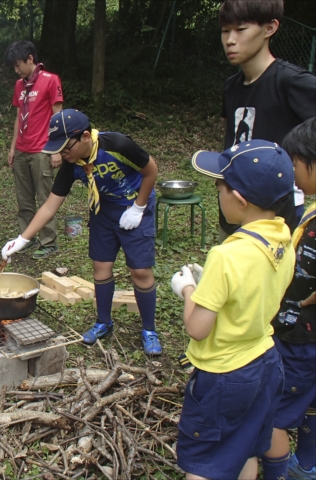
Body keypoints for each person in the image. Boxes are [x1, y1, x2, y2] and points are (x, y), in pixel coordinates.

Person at [171, 139, 296, 479]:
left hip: (225, 375)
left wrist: (188, 289)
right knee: (244, 447)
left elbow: (197, 327)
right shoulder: (284, 238)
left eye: (219, 187)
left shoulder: (226, 256)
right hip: (265, 361)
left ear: (238, 200)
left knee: (205, 463)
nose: (218, 193)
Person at [1, 110, 162, 355]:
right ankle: (103, 322)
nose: (63, 154)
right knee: (101, 267)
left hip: (134, 208)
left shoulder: (116, 144)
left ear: (85, 137)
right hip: (104, 211)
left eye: (66, 148)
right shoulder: (71, 164)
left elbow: (151, 171)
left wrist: (139, 208)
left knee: (140, 270)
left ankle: (149, 330)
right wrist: (23, 238)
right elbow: (50, 205)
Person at [218, 0, 316, 241]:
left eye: (240, 30)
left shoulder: (292, 82)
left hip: (278, 219)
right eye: (225, 31)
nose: (230, 40)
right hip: (235, 210)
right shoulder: (231, 87)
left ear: (270, 28)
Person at [262, 118, 316, 480]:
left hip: (299, 337)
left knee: (274, 415)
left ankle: (280, 472)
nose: (291, 172)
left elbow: (296, 281)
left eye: (295, 163)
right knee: (311, 402)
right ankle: (308, 464)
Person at [5, 40, 63, 260]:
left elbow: (58, 116)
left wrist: (57, 149)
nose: (16, 70)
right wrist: (12, 148)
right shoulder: (20, 85)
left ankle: (48, 242)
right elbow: (19, 116)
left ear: (31, 59)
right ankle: (26, 238)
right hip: (21, 149)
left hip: (42, 149)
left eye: (18, 64)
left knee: (45, 197)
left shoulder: (50, 80)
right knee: (24, 199)